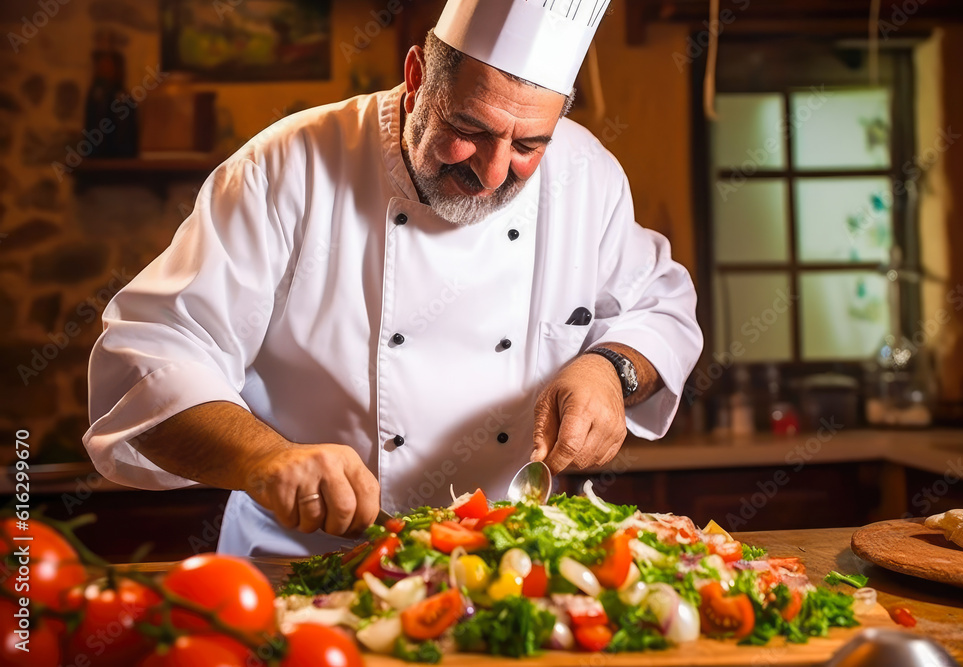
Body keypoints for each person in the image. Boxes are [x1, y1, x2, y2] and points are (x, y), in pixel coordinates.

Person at [83, 0, 703, 557]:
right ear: (415, 80)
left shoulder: (587, 174)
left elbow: (661, 311)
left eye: (527, 145)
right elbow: (150, 355)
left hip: (506, 569)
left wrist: (610, 370)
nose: (492, 173)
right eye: (470, 131)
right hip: (302, 566)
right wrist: (263, 458)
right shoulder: (286, 168)